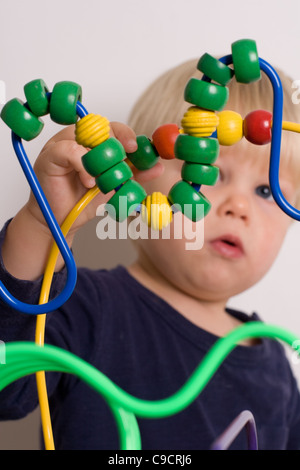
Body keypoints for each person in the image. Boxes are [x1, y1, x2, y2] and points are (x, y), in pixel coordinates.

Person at [1, 56, 300, 450]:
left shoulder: (276, 366)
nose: (237, 207)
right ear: (142, 175)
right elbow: (9, 390)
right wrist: (43, 226)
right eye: (208, 170)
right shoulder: (87, 308)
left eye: (265, 191)